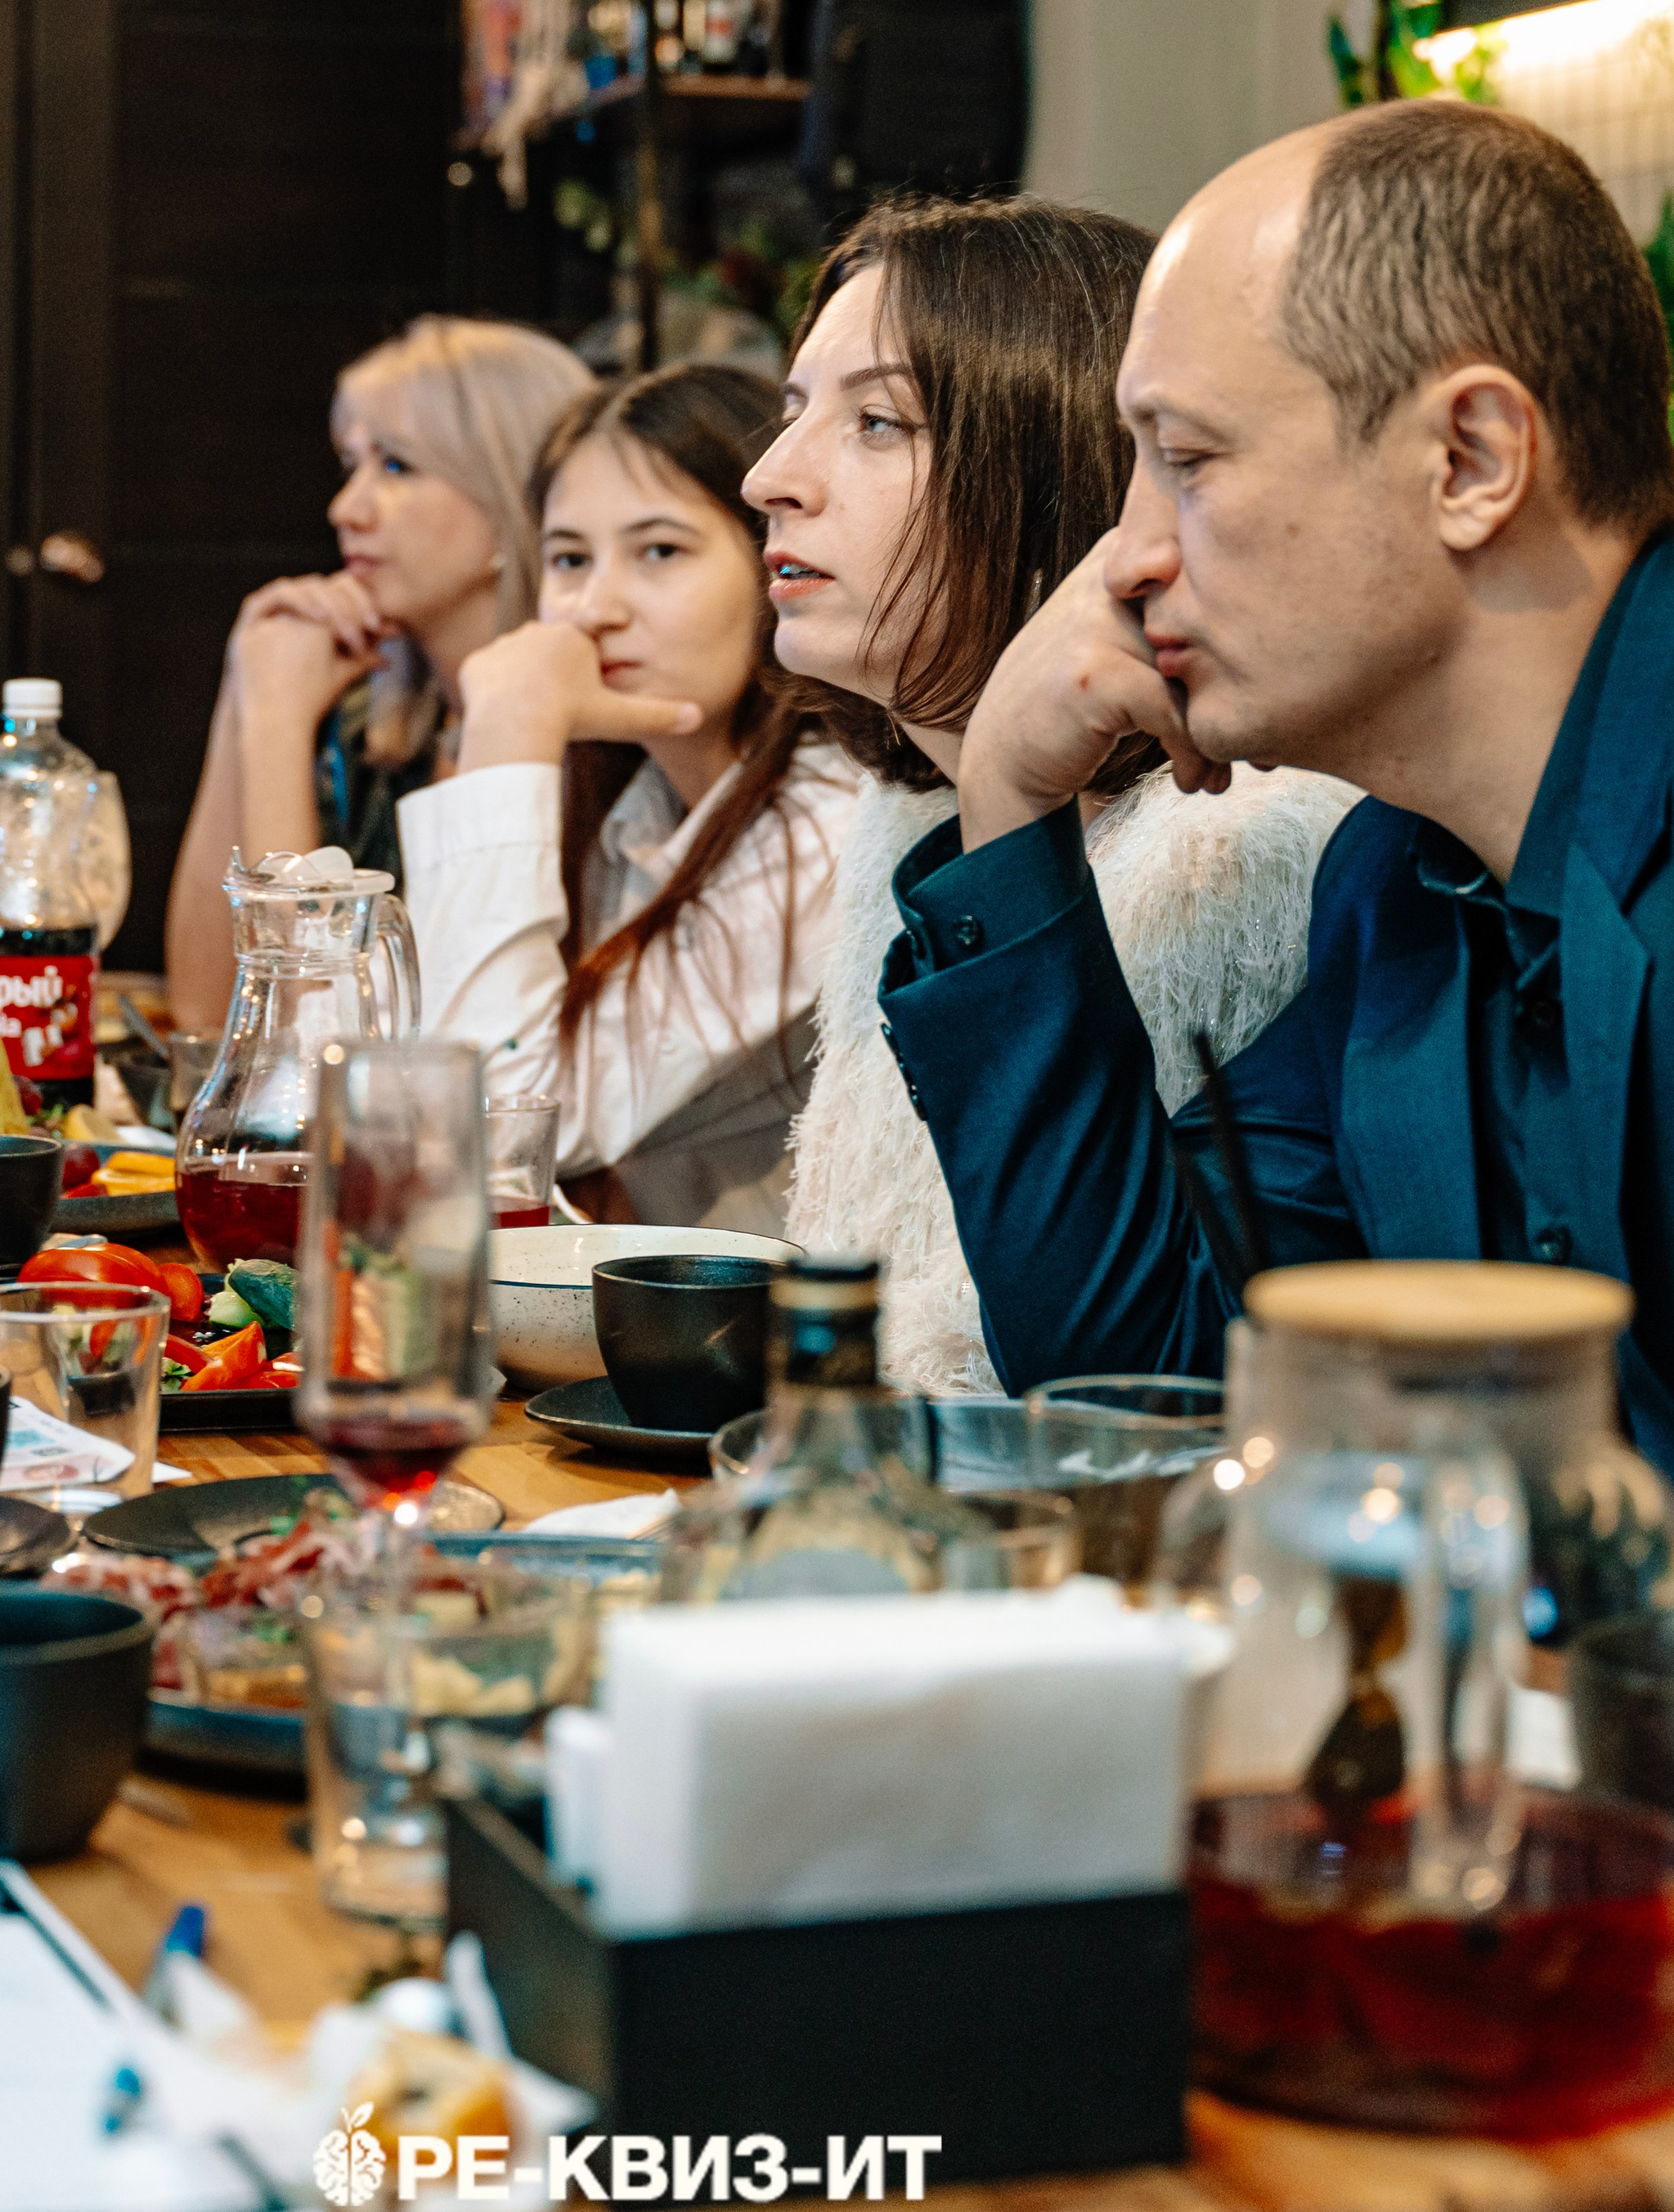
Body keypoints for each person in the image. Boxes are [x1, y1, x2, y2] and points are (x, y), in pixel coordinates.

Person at [875, 99, 1674, 1466]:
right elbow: (1149, 1378)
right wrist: (1009, 799)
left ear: (1471, 459)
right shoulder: (1396, 888)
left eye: (1184, 460)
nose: (1119, 558)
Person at [742, 196, 1353, 1388]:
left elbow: (1104, 1381)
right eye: (791, 411)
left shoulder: (1244, 842)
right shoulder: (910, 814)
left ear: (1059, 472)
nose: (772, 476)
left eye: (876, 421)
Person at [397, 364, 862, 1235]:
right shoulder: (642, 805)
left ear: (777, 563)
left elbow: (487, 1128)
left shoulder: (830, 819)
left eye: (659, 551)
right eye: (569, 558)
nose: (593, 608)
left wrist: (503, 740)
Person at [165, 316, 594, 1027]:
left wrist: (275, 728)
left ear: (511, 497)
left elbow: (306, 1047)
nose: (345, 509)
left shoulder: (584, 745)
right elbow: (206, 1012)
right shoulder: (376, 730)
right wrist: (247, 694)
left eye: (395, 466)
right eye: (350, 464)